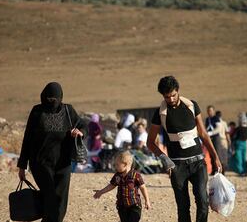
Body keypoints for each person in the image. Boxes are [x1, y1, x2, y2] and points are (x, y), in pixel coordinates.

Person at [146, 76, 222, 222]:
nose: (171, 99)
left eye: (173, 95)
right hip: (177, 166)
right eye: (167, 97)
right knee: (182, 206)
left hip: (198, 162)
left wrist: (215, 157)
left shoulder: (192, 106)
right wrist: (164, 159)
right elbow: (150, 142)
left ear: (178, 91)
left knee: (203, 200)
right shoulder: (160, 113)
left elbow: (203, 134)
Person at [17, 82, 87, 222]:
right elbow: (28, 138)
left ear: (60, 97)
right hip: (40, 163)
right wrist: (22, 165)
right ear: (43, 97)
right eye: (49, 99)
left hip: (63, 164)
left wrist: (79, 132)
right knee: (50, 198)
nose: (52, 102)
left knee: (61, 201)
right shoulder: (37, 111)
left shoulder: (68, 110)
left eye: (54, 99)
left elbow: (83, 126)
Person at [93, 150, 151, 222]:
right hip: (122, 206)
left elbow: (143, 188)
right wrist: (101, 192)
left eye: (117, 164)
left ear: (125, 164)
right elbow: (112, 185)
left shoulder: (136, 175)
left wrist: (147, 201)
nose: (115, 166)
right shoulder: (117, 175)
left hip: (134, 205)